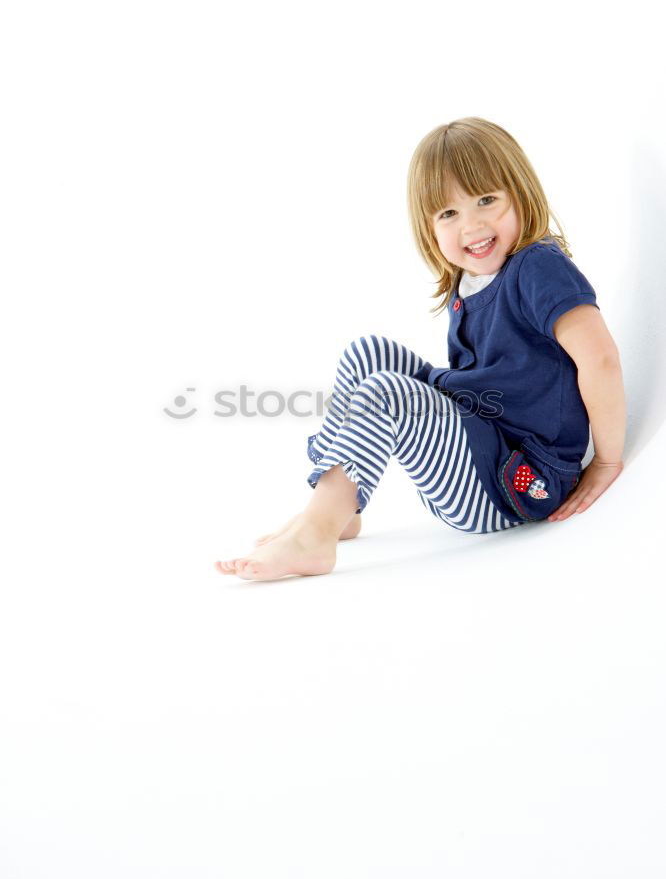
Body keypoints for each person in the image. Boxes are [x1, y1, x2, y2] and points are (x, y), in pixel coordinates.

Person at [216, 117, 626, 581]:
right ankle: (336, 507)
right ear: (429, 227)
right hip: (481, 443)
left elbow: (601, 358)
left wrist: (607, 459)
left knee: (386, 392)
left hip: (517, 480)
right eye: (448, 214)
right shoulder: (469, 280)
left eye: (487, 200)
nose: (472, 225)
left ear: (521, 192)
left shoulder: (538, 266)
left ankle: (314, 537)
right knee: (367, 353)